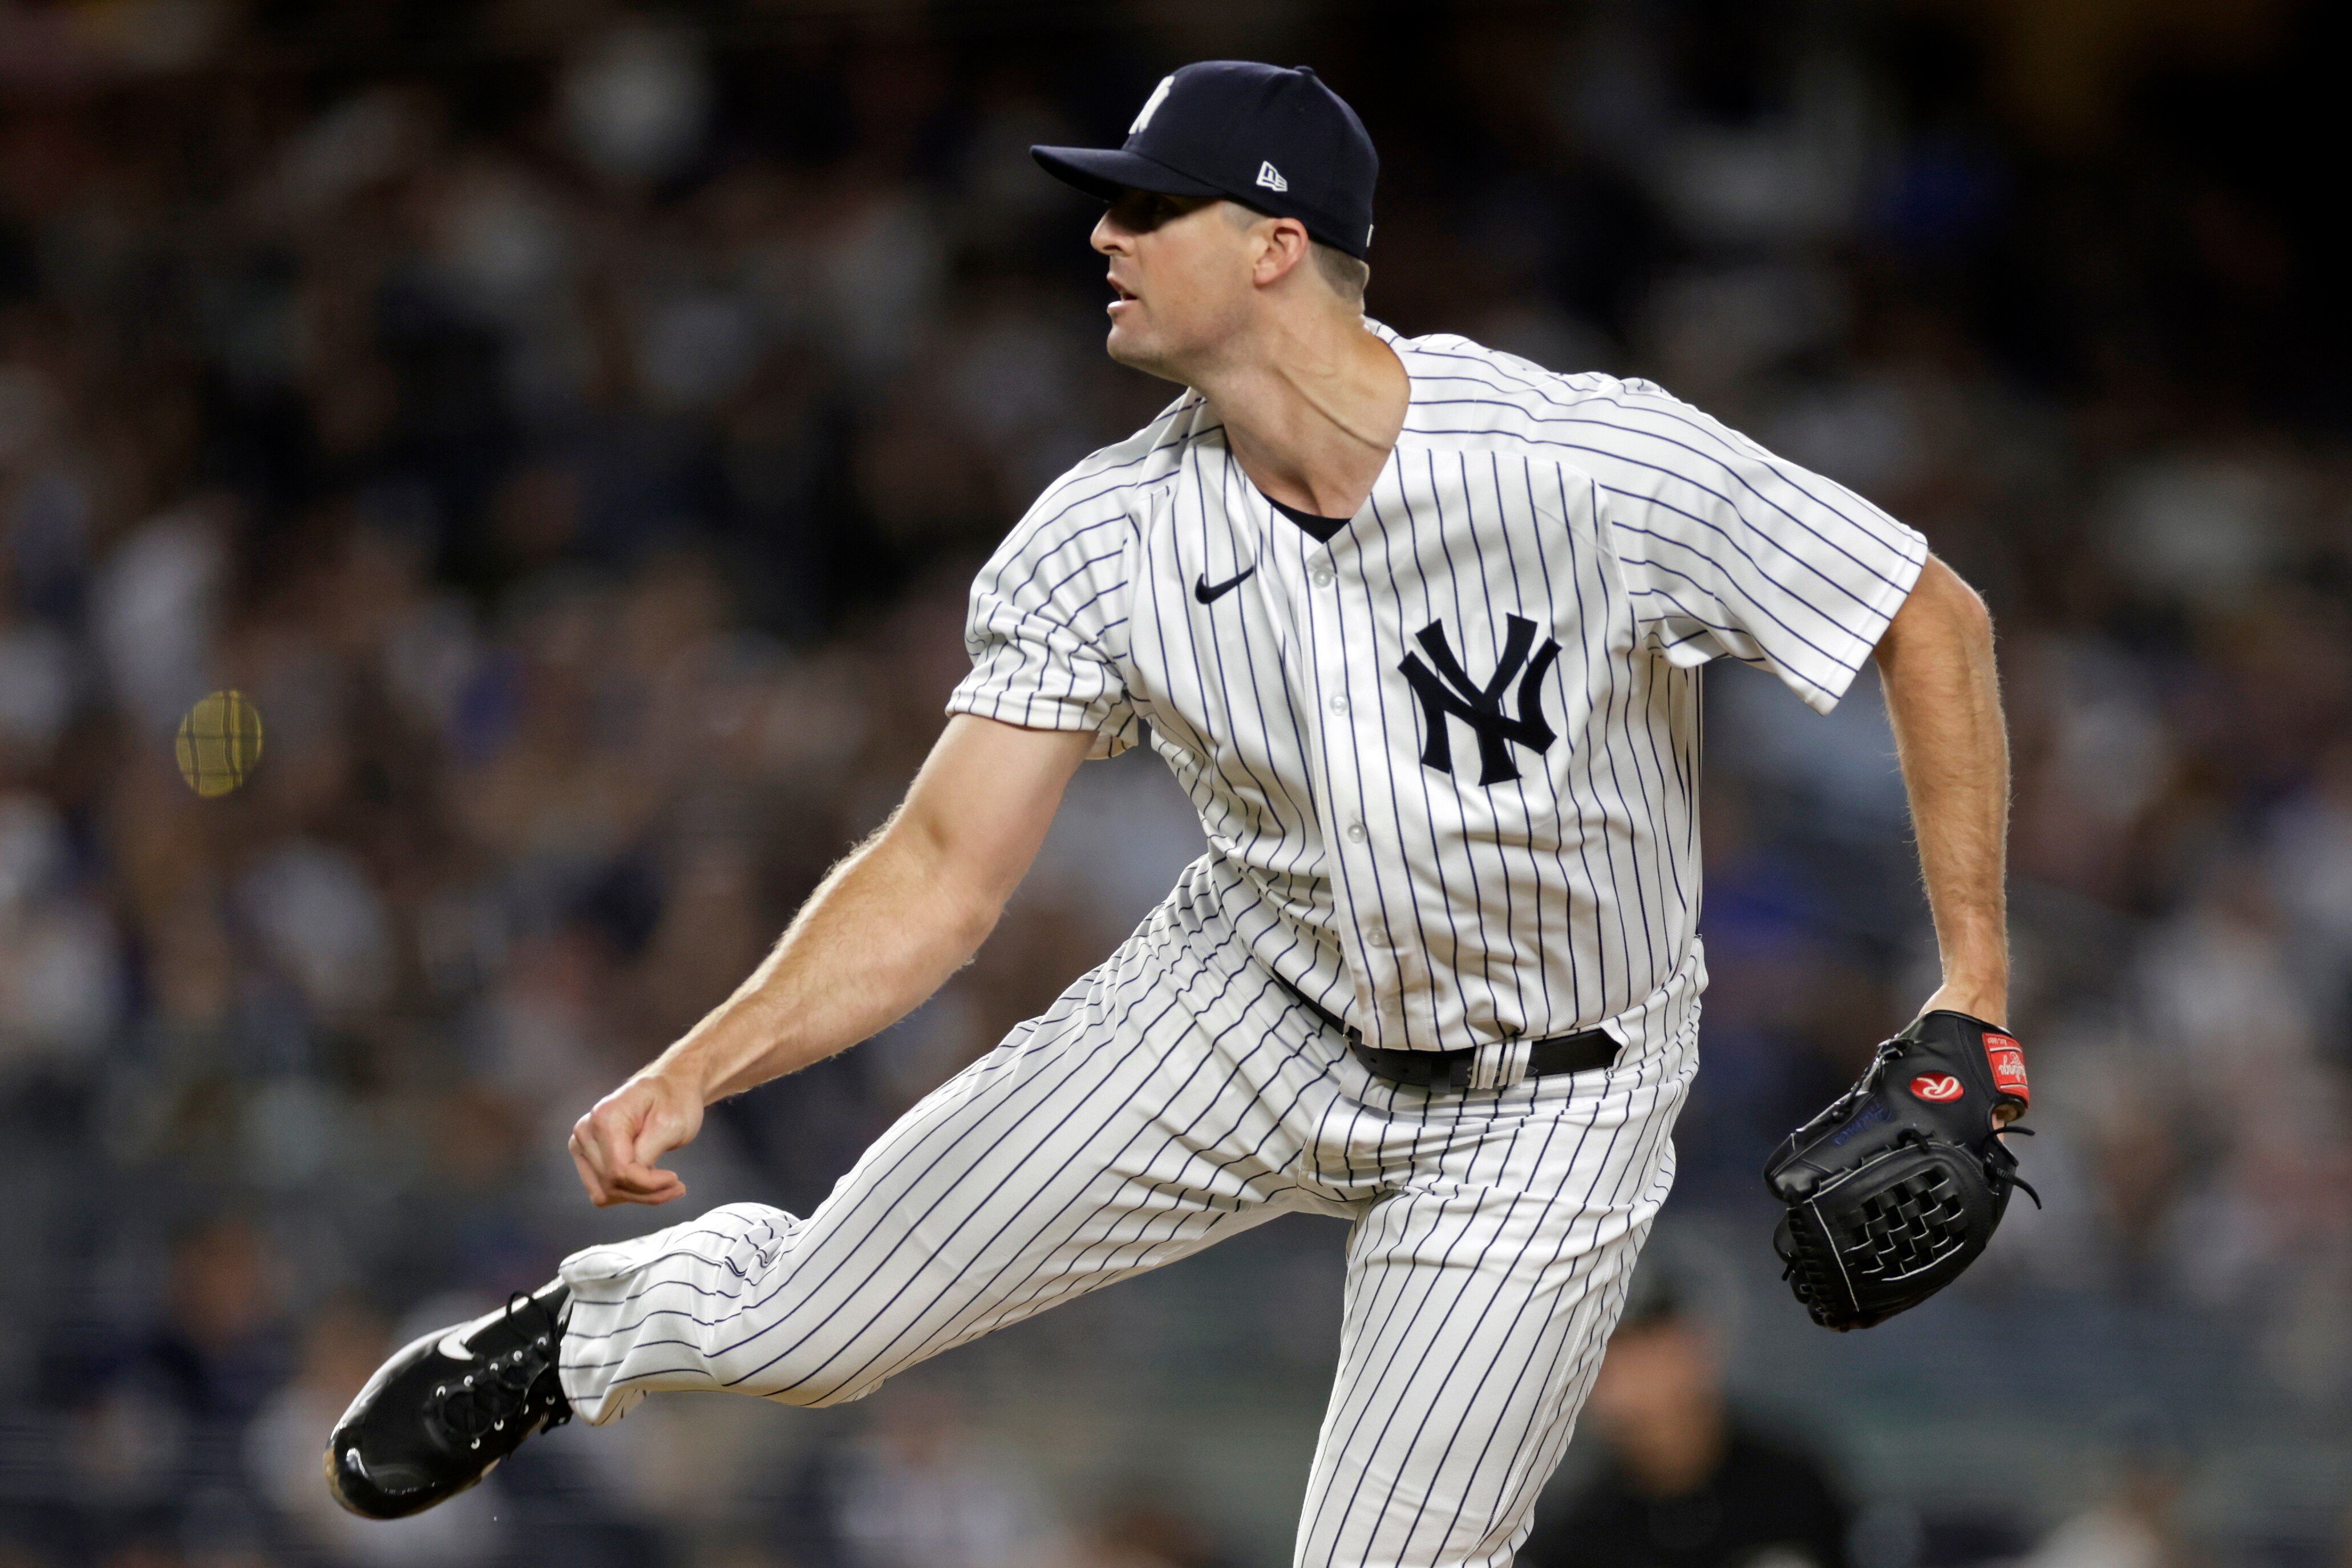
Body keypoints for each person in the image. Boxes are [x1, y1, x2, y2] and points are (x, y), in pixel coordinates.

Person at [322, 59, 2011, 1568]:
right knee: (806, 1327)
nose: (1104, 236)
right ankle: (569, 1341)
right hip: (1242, 1009)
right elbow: (937, 871)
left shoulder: (1580, 468)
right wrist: (703, 1060)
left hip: (1549, 1109)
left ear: (1278, 242)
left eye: (1147, 204)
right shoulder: (1105, 533)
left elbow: (1924, 614)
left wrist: (1973, 991)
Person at [1517, 1274, 1851, 1568]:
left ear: (1697, 1345)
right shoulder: (1574, 1534)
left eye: (1653, 1351)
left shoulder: (1793, 1485)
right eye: (1610, 1362)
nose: (1638, 1385)